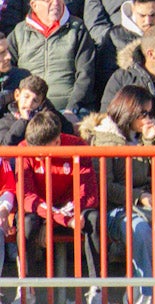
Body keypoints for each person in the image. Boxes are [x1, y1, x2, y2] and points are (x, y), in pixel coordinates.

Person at [18, 111, 102, 297]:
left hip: (71, 210)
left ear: (57, 141)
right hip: (41, 212)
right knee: (27, 223)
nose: (38, 158)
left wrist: (56, 220)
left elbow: (88, 194)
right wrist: (56, 218)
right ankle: (25, 289)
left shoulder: (77, 146)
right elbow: (27, 198)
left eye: (42, 153)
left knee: (93, 219)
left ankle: (97, 288)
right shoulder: (22, 148)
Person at [9, 0, 93, 113]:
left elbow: (86, 73)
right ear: (34, 5)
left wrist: (72, 108)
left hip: (67, 109)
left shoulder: (77, 28)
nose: (56, 3)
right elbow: (8, 71)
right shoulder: (19, 32)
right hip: (28, 108)